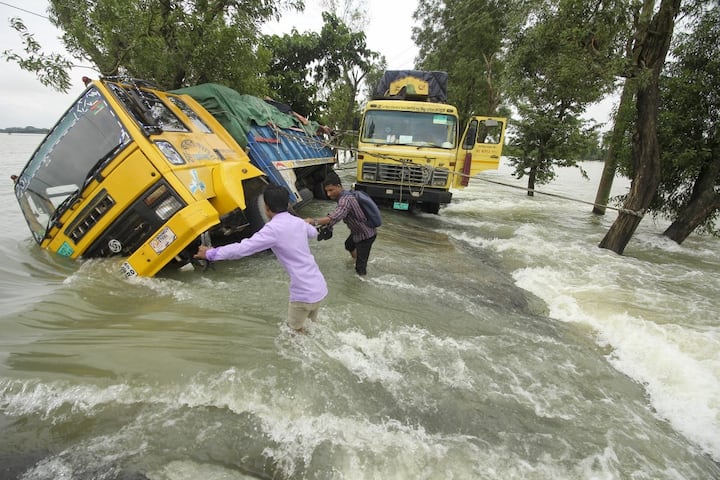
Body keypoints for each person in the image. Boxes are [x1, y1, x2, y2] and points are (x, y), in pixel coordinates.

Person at [195, 185, 327, 333]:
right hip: (319, 287)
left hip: (303, 293)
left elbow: (243, 248)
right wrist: (305, 223)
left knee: (294, 334)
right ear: (287, 204)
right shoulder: (298, 223)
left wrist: (210, 254)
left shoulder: (272, 229)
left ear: (267, 207)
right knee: (311, 330)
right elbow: (313, 233)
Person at [306, 176, 377, 276]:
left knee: (360, 269)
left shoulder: (345, 200)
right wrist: (328, 226)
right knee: (349, 245)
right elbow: (339, 216)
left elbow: (334, 216)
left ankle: (362, 281)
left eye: (331, 190)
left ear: (339, 186)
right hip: (357, 232)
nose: (328, 194)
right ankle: (356, 259)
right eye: (327, 191)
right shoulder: (343, 196)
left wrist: (313, 221)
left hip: (366, 235)